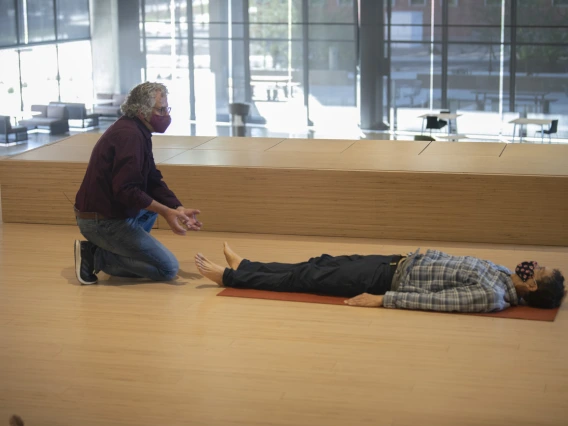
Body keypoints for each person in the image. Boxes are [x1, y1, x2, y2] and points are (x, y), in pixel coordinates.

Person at [73, 81, 202, 285]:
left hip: (112, 213)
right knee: (167, 269)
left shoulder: (137, 130)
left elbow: (152, 178)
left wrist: (177, 207)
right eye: (161, 110)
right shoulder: (130, 135)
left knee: (152, 206)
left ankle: (116, 248)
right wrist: (165, 212)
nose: (166, 115)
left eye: (166, 109)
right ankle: (96, 255)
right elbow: (126, 191)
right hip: (102, 221)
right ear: (142, 111)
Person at [195, 243, 565, 312]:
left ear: (531, 286)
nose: (532, 265)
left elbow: (435, 302)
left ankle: (228, 277)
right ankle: (246, 266)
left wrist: (382, 300)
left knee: (306, 278)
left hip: (384, 282)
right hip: (394, 261)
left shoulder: (493, 296)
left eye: (538, 271)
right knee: (316, 263)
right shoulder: (502, 275)